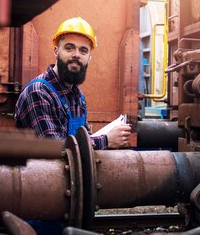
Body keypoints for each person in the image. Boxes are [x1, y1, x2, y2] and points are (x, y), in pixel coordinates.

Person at [15, 17, 131, 149]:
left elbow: (84, 139)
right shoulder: (38, 93)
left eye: (83, 50)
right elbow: (53, 149)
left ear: (89, 58)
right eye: (69, 48)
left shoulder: (78, 97)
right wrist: (106, 141)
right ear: (56, 51)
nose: (76, 55)